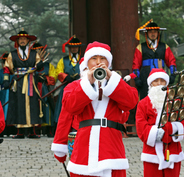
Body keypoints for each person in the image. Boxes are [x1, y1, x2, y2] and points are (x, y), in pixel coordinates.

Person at [52, 41, 138, 177]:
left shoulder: (116, 84)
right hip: (83, 150)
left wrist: (112, 79)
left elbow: (131, 103)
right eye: (94, 58)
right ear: (87, 62)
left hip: (112, 150)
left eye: (103, 58)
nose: (98, 62)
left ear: (109, 63)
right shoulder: (74, 86)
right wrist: (88, 84)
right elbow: (70, 108)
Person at [136, 68, 184, 177]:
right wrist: (158, 134)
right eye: (156, 81)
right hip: (151, 152)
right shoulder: (143, 103)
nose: (159, 84)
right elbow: (141, 127)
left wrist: (171, 130)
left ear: (167, 83)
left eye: (162, 81)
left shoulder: (177, 101)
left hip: (173, 151)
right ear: (150, 83)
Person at [4, 30, 44, 139]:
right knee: (18, 104)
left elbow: (40, 68)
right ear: (17, 41)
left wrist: (40, 67)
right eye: (20, 39)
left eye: (24, 39)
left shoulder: (34, 54)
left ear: (28, 41)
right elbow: (7, 68)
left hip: (31, 81)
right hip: (18, 81)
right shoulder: (12, 54)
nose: (22, 41)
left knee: (33, 104)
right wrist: (6, 81)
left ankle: (33, 131)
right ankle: (19, 132)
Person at [132, 20, 177, 100]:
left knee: (162, 98)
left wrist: (173, 75)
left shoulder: (164, 46)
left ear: (158, 33)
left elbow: (171, 61)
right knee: (145, 98)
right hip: (145, 77)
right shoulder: (140, 47)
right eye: (150, 32)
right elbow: (136, 65)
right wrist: (137, 78)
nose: (153, 34)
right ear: (146, 33)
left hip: (161, 76)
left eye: (155, 32)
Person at [54, 35, 84, 125]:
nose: (74, 49)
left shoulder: (84, 60)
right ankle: (62, 125)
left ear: (79, 48)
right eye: (72, 47)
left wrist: (81, 76)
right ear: (69, 49)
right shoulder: (63, 60)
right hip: (67, 86)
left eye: (76, 47)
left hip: (80, 87)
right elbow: (58, 72)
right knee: (63, 106)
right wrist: (66, 77)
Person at [32, 42, 56, 137]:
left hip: (45, 88)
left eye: (40, 51)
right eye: (36, 51)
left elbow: (53, 77)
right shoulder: (31, 63)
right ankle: (34, 130)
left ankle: (49, 129)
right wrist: (35, 77)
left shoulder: (48, 65)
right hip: (33, 87)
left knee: (47, 107)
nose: (38, 53)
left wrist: (46, 79)